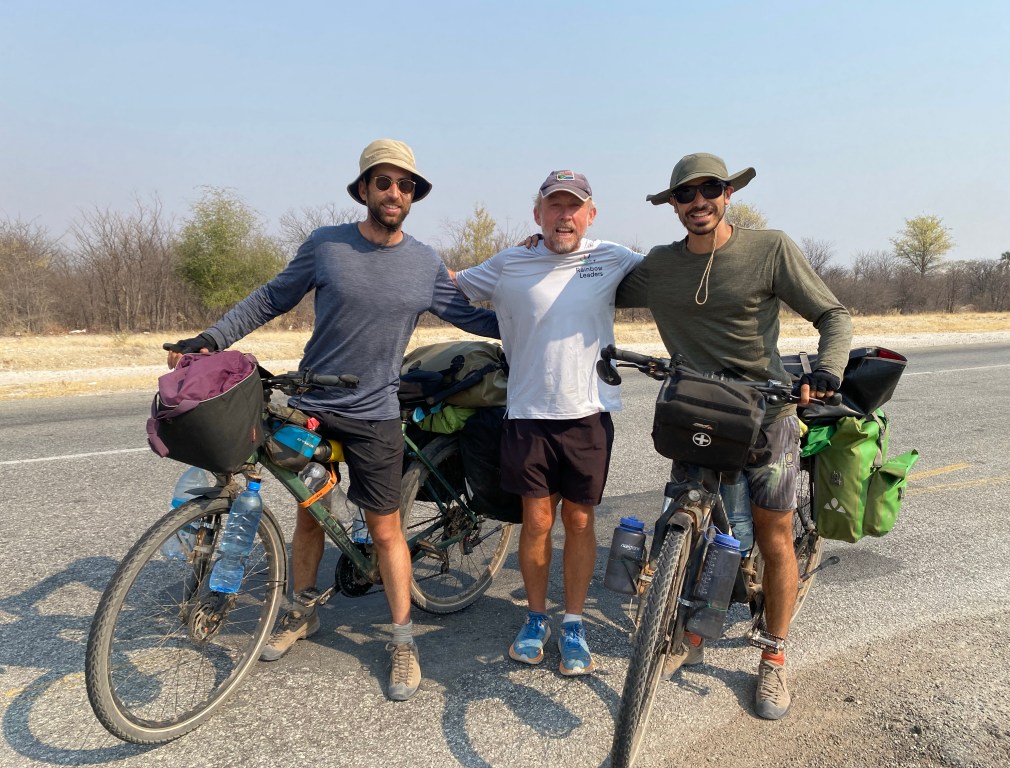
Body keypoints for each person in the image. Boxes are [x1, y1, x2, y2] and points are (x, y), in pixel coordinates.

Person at [166, 139, 500, 702]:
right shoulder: (326, 246)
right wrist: (211, 340)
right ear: (364, 189)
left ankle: (401, 639)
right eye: (385, 182)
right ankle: (302, 610)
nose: (396, 192)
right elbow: (270, 298)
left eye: (406, 185)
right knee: (311, 512)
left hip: (374, 413)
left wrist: (539, 312)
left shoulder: (423, 263)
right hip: (316, 403)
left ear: (414, 196)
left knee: (385, 527)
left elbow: (472, 316)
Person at [616, 152, 852, 719]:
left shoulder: (768, 249)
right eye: (685, 195)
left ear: (727, 194)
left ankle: (773, 659)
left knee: (772, 535)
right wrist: (542, 248)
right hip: (694, 408)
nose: (698, 202)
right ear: (672, 205)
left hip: (765, 411)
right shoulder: (659, 266)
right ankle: (688, 627)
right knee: (688, 522)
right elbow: (592, 283)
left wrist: (827, 371)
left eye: (710, 190)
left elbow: (833, 315)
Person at [453, 171, 643, 676]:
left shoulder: (613, 258)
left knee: (579, 522)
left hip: (588, 415)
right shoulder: (508, 263)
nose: (564, 216)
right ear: (537, 214)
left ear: (590, 214)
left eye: (573, 207)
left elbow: (675, 277)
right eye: (553, 207)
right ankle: (536, 617)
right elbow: (451, 288)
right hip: (527, 414)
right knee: (536, 521)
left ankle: (574, 622)